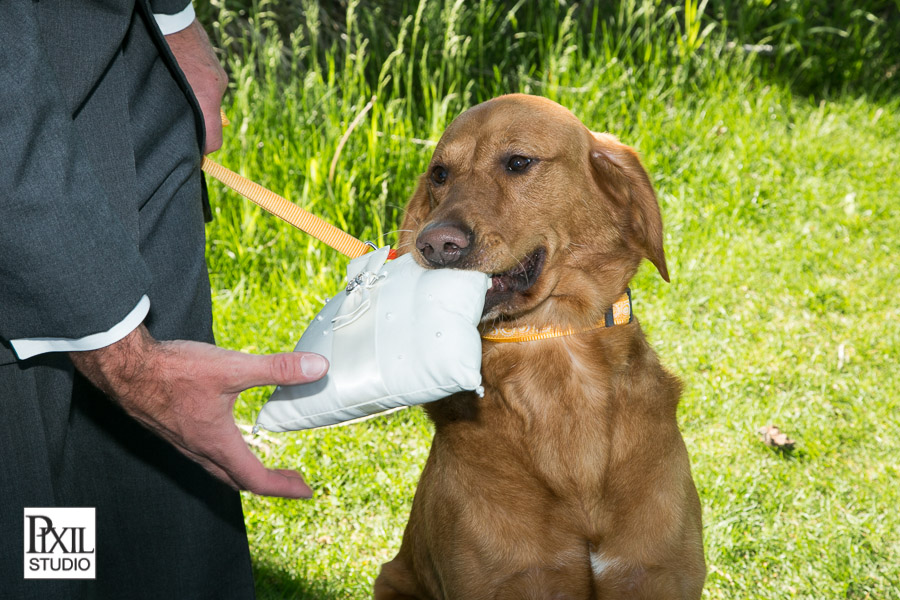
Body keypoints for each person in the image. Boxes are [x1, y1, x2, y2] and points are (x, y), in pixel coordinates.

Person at [0, 1, 328, 598]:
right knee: (34, 546)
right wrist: (132, 362)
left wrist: (173, 21)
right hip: (12, 164)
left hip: (130, 84)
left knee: (154, 534)